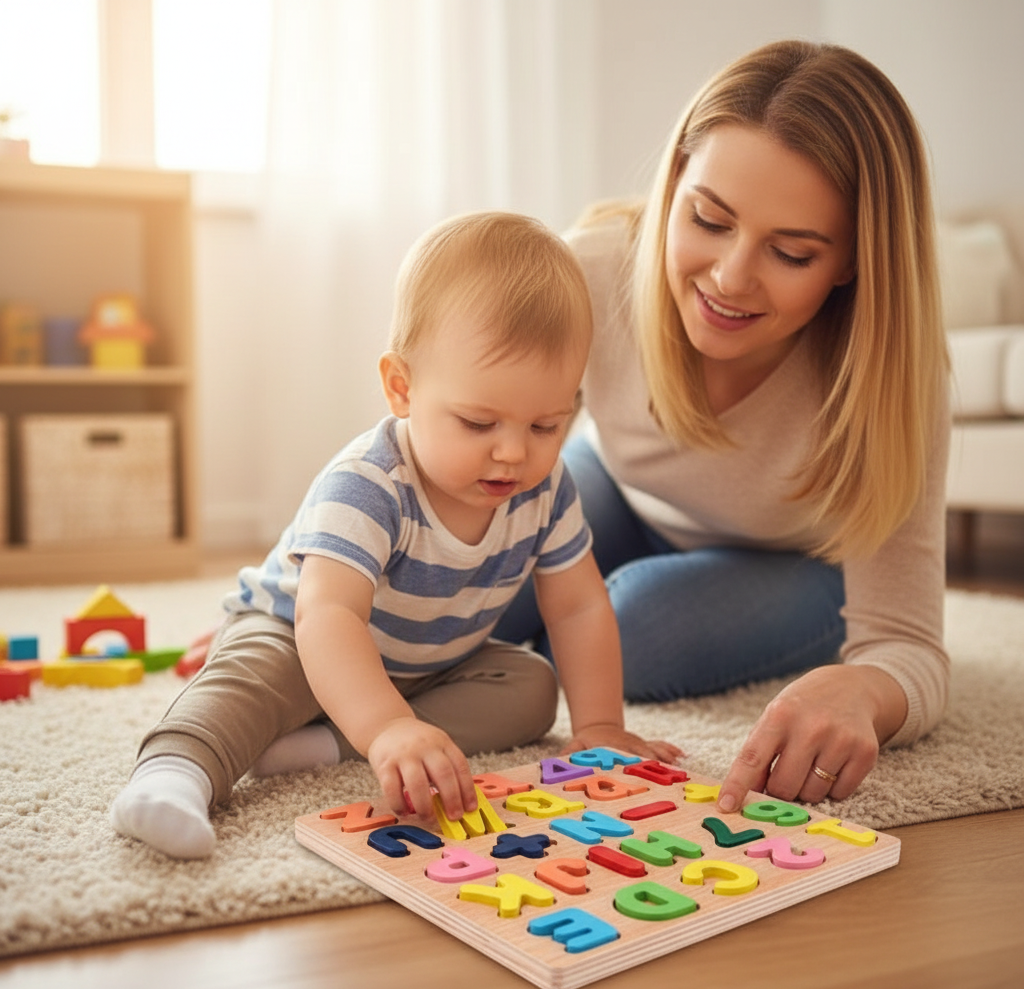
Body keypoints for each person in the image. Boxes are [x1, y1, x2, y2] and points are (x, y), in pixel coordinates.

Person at [110, 211, 680, 860]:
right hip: (306, 640)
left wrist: (601, 726)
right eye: (478, 423)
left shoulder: (547, 490)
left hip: (429, 664)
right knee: (251, 679)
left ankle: (317, 747)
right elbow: (329, 615)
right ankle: (172, 774)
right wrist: (386, 728)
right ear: (401, 388)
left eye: (547, 426)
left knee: (529, 688)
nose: (513, 455)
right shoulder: (369, 484)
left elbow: (576, 604)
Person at [496, 40, 951, 815]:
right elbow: (437, 453)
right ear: (673, 185)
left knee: (628, 632)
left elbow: (908, 643)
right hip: (619, 491)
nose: (731, 277)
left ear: (851, 261)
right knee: (474, 579)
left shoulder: (890, 372)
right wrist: (295, 606)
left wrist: (864, 691)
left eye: (792, 252)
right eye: (709, 219)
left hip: (792, 567)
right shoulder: (592, 269)